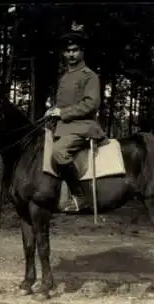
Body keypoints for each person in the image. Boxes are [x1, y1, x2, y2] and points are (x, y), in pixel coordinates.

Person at [44, 31, 106, 213]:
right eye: (67, 51)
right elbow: (65, 104)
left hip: (83, 127)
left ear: (82, 51)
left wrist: (61, 112)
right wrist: (52, 110)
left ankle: (80, 197)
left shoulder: (90, 76)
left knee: (59, 152)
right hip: (64, 127)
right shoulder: (65, 77)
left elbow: (90, 104)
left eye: (75, 50)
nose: (71, 54)